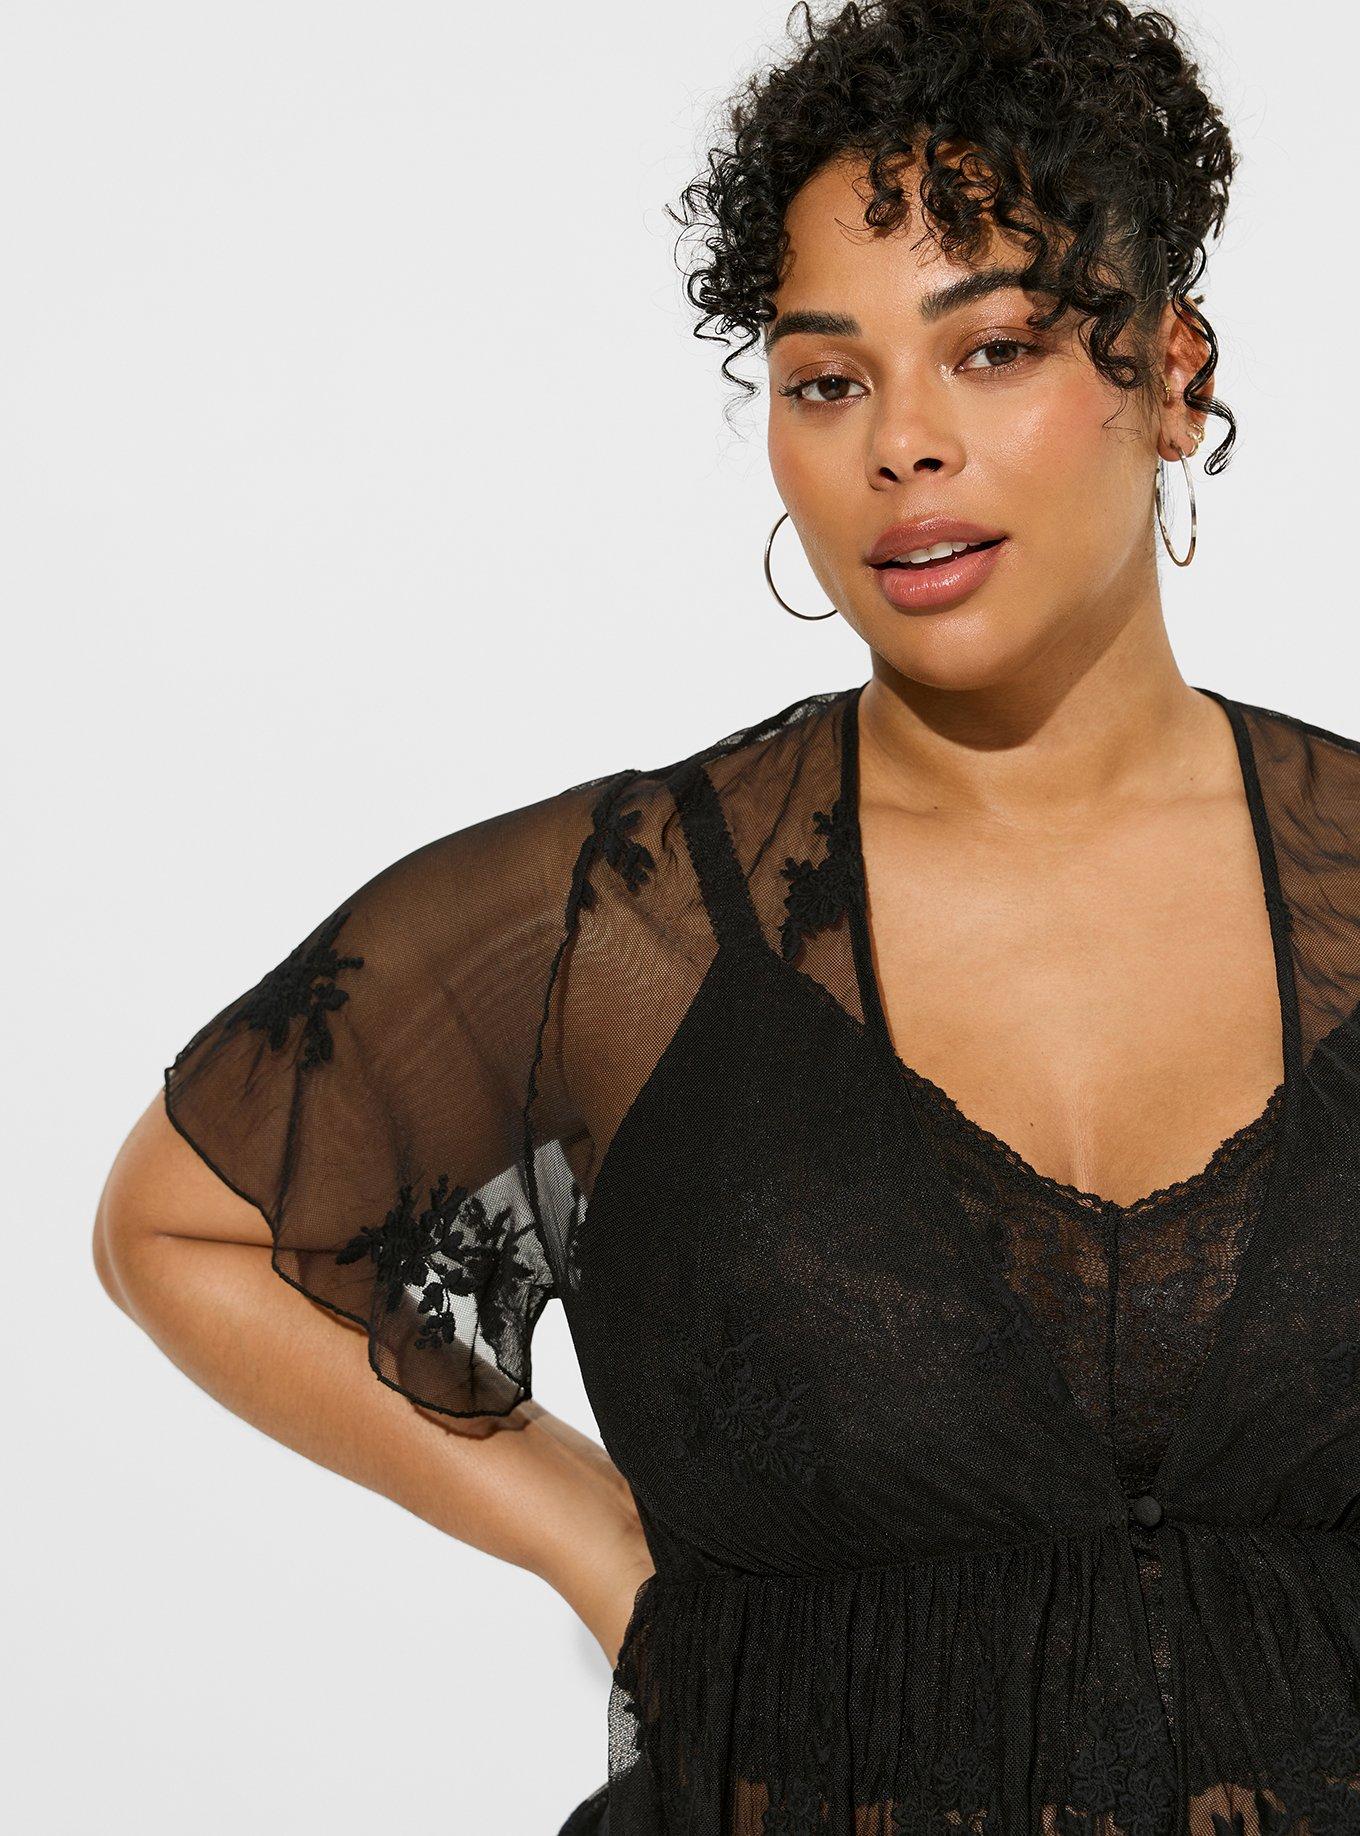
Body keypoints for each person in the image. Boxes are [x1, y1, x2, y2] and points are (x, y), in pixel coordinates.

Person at [91, 1, 1360, 1831]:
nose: (902, 445)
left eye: (993, 349)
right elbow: (186, 1223)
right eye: (828, 381)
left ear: (1172, 375)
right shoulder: (626, 926)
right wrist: (593, 1541)